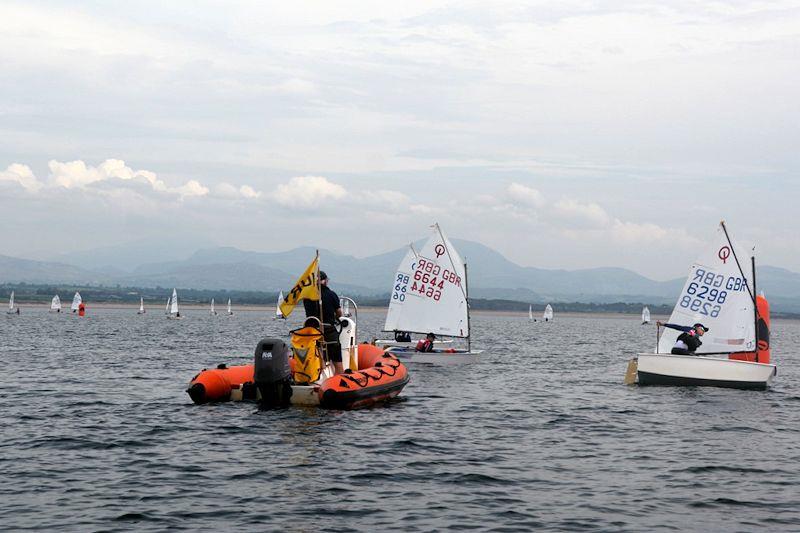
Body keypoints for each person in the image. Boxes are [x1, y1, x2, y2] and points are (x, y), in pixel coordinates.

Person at [303, 271, 344, 374]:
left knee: (315, 356)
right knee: (337, 361)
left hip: (311, 332)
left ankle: (318, 375)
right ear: (325, 281)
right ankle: (338, 382)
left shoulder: (306, 296)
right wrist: (335, 317)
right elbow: (339, 313)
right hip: (328, 331)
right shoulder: (331, 294)